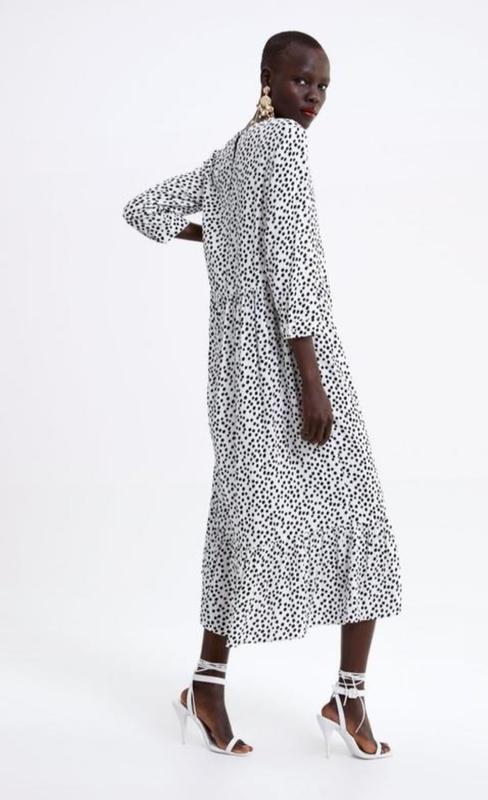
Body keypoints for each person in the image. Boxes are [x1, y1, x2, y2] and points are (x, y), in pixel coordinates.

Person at [122, 31, 402, 759]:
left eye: (323, 87)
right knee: (359, 518)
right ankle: (347, 696)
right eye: (302, 80)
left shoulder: (228, 158)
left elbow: (144, 210)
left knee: (242, 520)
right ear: (268, 78)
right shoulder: (280, 147)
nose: (313, 97)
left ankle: (209, 686)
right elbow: (295, 267)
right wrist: (312, 383)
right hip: (289, 360)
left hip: (232, 370)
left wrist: (222, 241)